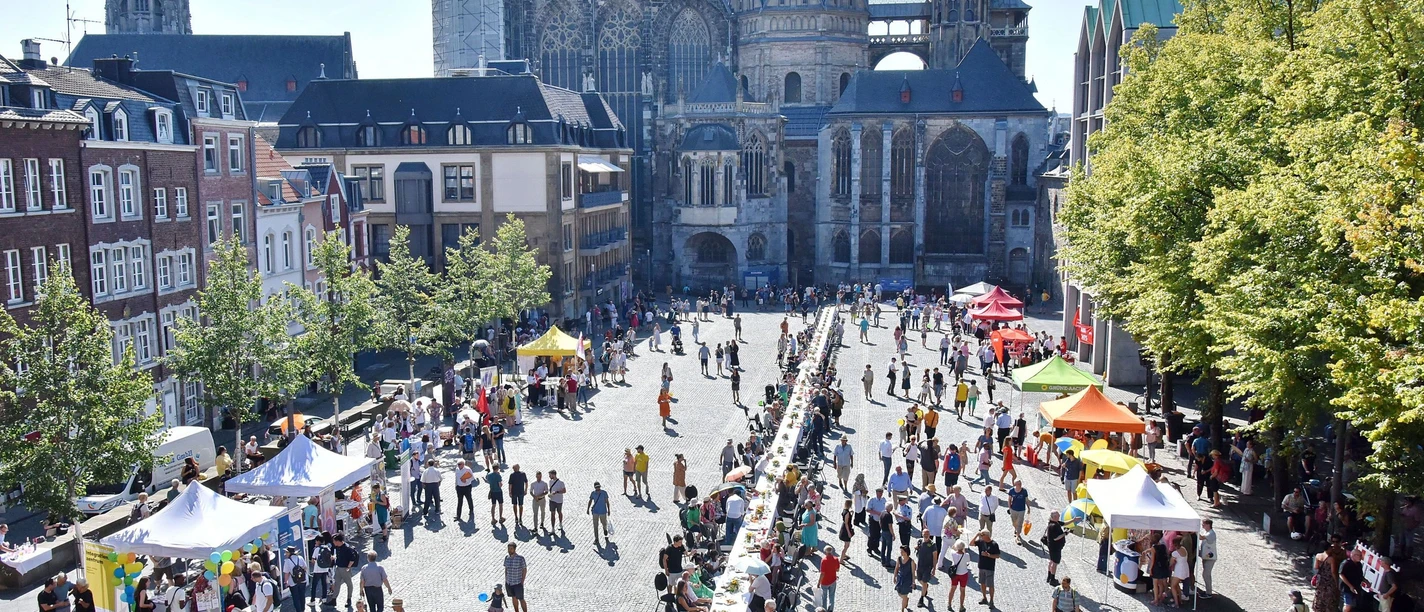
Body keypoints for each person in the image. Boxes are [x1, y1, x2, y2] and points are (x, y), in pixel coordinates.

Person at [327, 533, 358, 608]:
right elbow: (338, 555)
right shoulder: (338, 547)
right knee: (337, 583)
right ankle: (334, 599)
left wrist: (348, 567)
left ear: (338, 541)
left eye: (334, 541)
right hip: (338, 568)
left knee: (349, 584)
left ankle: (349, 599)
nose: (333, 543)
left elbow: (352, 559)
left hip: (345, 569)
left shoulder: (347, 548)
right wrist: (334, 557)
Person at [941, 539, 972, 612]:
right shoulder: (967, 555)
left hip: (955, 574)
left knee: (952, 589)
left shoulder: (953, 554)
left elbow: (952, 548)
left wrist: (955, 546)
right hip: (963, 574)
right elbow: (968, 561)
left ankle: (949, 604)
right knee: (962, 590)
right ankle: (961, 606)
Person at [972, 530, 1000, 607]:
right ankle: (984, 598)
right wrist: (976, 535)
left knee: (990, 585)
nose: (981, 536)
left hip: (989, 567)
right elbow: (971, 543)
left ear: (987, 536)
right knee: (982, 583)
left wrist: (988, 555)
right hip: (981, 566)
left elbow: (997, 556)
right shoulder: (981, 541)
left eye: (982, 535)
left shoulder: (994, 544)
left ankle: (991, 600)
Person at [282, 546, 309, 612]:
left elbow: (286, 573)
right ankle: (302, 609)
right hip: (303, 580)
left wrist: (286, 582)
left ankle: (298, 610)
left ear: (289, 553)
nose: (285, 553)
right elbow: (305, 568)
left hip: (293, 582)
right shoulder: (300, 558)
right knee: (302, 596)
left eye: (286, 552)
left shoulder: (287, 561)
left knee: (295, 598)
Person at [504, 543, 528, 612]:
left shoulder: (520, 558)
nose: (509, 550)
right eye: (508, 548)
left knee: (521, 599)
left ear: (514, 549)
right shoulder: (506, 558)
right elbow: (506, 569)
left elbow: (524, 569)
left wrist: (522, 581)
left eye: (511, 549)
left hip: (517, 583)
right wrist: (506, 579)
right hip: (509, 582)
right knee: (513, 598)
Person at [1197, 519, 1217, 598]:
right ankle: (1208, 591)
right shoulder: (1207, 532)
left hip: (1210, 559)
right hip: (1206, 557)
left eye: (1203, 524)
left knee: (1206, 574)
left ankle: (1209, 593)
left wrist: (1195, 530)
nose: (1202, 526)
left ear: (1208, 525)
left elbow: (1201, 538)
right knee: (1206, 575)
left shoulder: (1211, 533)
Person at [588, 481, 612, 545]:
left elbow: (607, 502)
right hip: (595, 511)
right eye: (596, 487)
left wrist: (609, 510)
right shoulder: (593, 493)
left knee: (604, 523)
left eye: (598, 487)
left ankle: (605, 530)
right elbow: (590, 501)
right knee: (595, 525)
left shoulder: (604, 493)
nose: (598, 488)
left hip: (603, 511)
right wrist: (588, 509)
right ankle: (596, 539)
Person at [817, 546, 840, 611]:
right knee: (832, 596)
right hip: (833, 580)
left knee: (824, 597)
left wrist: (819, 582)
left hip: (824, 582)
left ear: (825, 552)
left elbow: (822, 574)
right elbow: (837, 570)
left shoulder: (824, 560)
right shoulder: (836, 559)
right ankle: (830, 610)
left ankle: (824, 610)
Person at [1169, 535, 1189, 607]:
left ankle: (1176, 603)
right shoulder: (1184, 549)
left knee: (1173, 586)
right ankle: (1180, 600)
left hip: (1179, 570)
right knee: (1176, 585)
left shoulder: (1175, 553)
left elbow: (1171, 563)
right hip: (1185, 568)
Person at [893, 545, 915, 612]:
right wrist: (894, 576)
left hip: (907, 580)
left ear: (906, 552)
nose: (901, 553)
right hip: (900, 578)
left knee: (904, 595)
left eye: (902, 551)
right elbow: (896, 568)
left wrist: (913, 582)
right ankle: (906, 599)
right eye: (901, 551)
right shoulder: (899, 559)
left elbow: (913, 572)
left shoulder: (911, 561)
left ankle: (902, 609)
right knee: (899, 593)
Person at [454, 459, 476, 523]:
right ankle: (458, 516)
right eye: (458, 464)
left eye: (459, 464)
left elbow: (472, 478)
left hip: (467, 487)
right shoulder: (457, 469)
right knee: (459, 501)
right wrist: (456, 485)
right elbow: (456, 478)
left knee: (469, 499)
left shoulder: (468, 469)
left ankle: (471, 510)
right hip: (459, 487)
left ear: (463, 464)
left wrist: (466, 480)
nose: (458, 466)